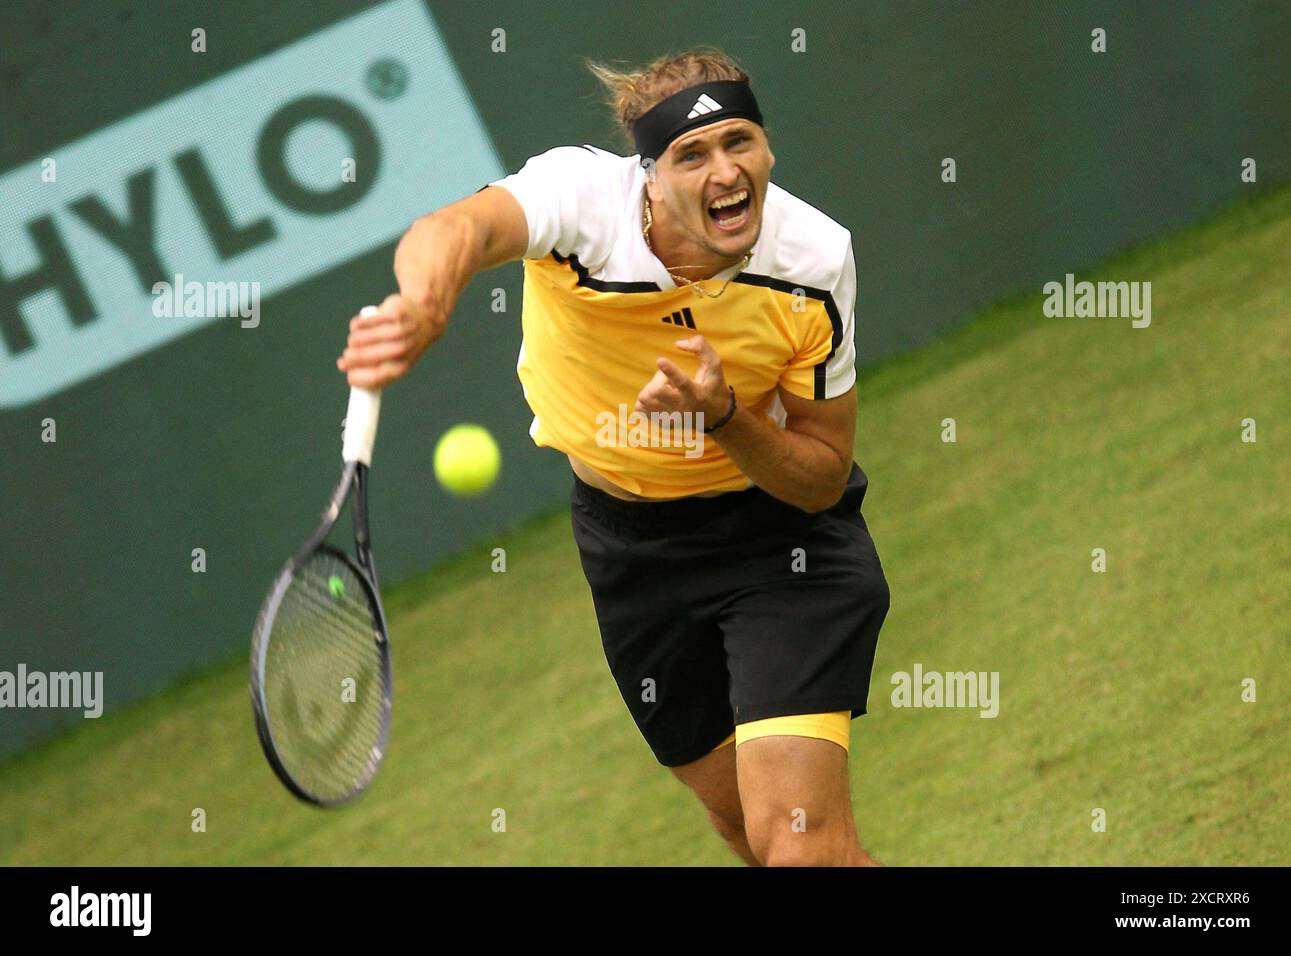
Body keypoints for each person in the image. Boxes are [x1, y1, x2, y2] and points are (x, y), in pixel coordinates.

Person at [336, 48, 890, 866]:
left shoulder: (813, 261)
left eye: (739, 142)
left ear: (768, 150)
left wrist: (727, 418)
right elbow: (453, 228)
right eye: (691, 155)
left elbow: (820, 478)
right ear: (651, 179)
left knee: (799, 849)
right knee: (744, 828)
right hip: (630, 553)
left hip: (779, 546)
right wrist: (424, 305)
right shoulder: (580, 201)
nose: (724, 171)